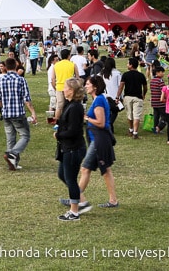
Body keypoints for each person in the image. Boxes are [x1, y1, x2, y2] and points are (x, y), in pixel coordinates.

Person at [65, 75, 119, 213]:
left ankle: (76, 198)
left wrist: (86, 118)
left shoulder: (99, 100)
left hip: (99, 140)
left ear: (95, 86)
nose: (86, 86)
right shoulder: (98, 99)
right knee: (104, 170)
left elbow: (101, 123)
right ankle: (112, 200)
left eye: (88, 84)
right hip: (98, 139)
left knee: (85, 169)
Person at [0, 58, 36, 171]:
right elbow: (26, 99)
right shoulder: (21, 80)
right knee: (25, 135)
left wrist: (3, 108)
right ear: (16, 66)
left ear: (6, 67)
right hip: (18, 113)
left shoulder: (0, 80)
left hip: (6, 113)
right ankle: (12, 155)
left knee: (10, 138)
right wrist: (33, 112)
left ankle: (12, 163)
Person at [54, 78, 87, 221]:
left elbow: (73, 131)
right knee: (63, 174)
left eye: (65, 87)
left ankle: (74, 211)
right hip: (67, 147)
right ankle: (80, 199)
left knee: (71, 179)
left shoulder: (75, 107)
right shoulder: (70, 104)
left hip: (74, 148)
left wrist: (58, 134)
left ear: (72, 91)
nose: (63, 89)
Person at [117, 57, 148, 139]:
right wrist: (143, 94)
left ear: (131, 65)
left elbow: (121, 87)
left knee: (129, 115)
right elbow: (145, 87)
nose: (127, 65)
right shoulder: (141, 75)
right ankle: (135, 132)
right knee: (136, 115)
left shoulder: (125, 75)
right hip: (138, 97)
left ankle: (131, 129)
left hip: (127, 97)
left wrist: (117, 96)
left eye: (128, 63)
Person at [52, 49, 77, 121]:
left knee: (59, 106)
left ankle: (57, 121)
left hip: (59, 87)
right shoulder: (73, 64)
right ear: (68, 56)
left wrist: (55, 87)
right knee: (71, 104)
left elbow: (53, 78)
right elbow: (77, 77)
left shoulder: (56, 65)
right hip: (70, 87)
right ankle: (71, 120)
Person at [101, 57, 122, 133]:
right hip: (115, 95)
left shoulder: (103, 73)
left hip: (106, 95)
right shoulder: (117, 73)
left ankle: (110, 126)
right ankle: (109, 124)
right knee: (115, 111)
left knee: (109, 110)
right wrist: (119, 96)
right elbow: (120, 85)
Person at [149, 65, 166, 133]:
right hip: (160, 102)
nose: (163, 73)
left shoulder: (152, 80)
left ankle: (155, 127)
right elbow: (163, 91)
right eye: (162, 72)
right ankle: (159, 127)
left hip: (154, 101)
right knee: (165, 116)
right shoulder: (160, 81)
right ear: (157, 73)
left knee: (156, 116)